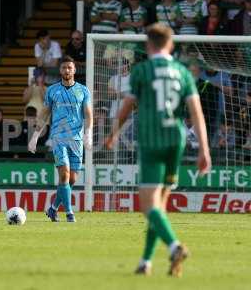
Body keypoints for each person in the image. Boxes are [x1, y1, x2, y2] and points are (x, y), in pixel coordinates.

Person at [105, 23, 211, 276]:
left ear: (148, 45)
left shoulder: (141, 70)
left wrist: (113, 133)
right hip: (177, 138)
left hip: (152, 138)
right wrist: (204, 149)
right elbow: (196, 113)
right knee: (159, 206)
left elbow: (128, 106)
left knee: (148, 205)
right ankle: (146, 262)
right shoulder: (182, 72)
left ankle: (174, 246)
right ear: (171, 45)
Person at [28, 56, 93, 223]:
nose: (67, 70)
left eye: (70, 68)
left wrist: (88, 133)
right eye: (64, 67)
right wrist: (35, 136)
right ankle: (70, 213)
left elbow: (87, 113)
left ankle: (53, 208)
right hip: (58, 138)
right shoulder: (52, 90)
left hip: (77, 140)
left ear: (74, 70)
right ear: (60, 70)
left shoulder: (83, 90)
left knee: (72, 179)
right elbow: (44, 113)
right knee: (63, 176)